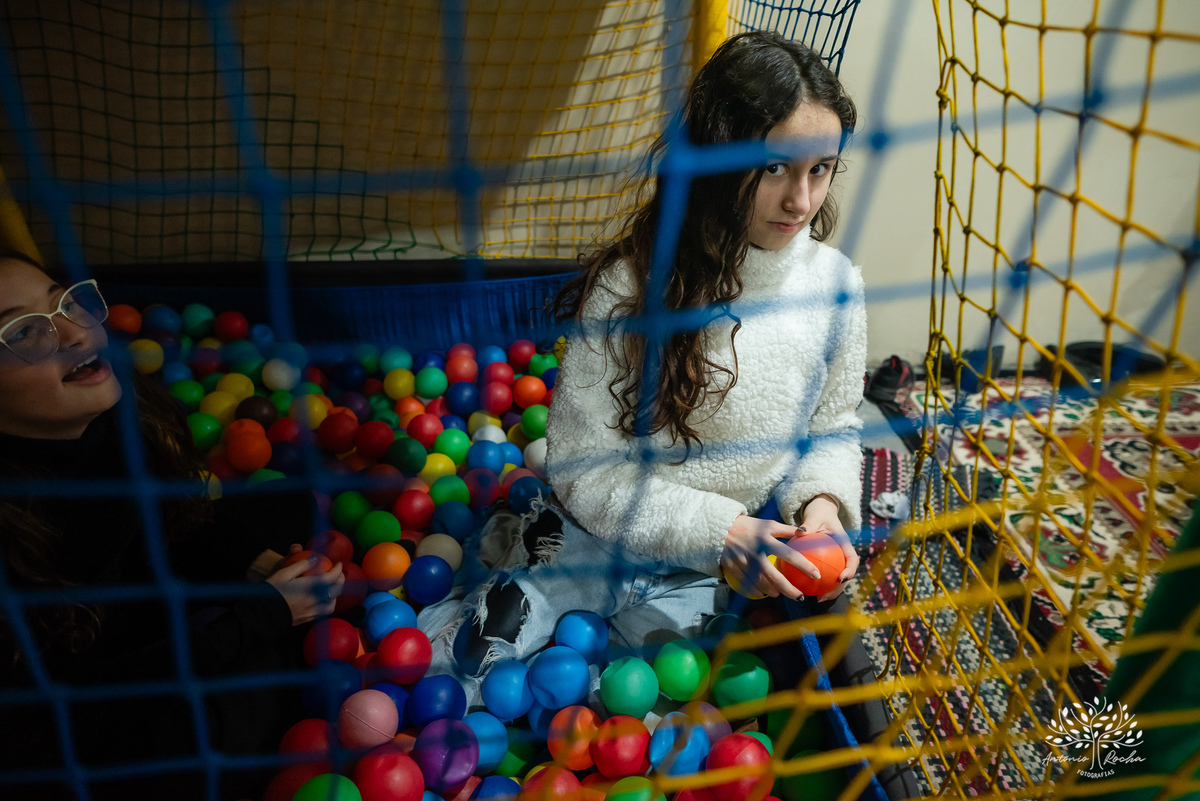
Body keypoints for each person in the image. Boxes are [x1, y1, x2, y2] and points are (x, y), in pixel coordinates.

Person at [417, 30, 917, 797]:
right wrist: (719, 530)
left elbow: (832, 428)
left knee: (651, 730)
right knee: (463, 675)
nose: (803, 200)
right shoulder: (630, 288)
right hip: (602, 531)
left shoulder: (834, 289)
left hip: (717, 568)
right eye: (776, 168)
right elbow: (588, 470)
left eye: (821, 170)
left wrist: (821, 505)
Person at [0, 249, 346, 800]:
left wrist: (251, 564)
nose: (71, 330)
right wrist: (255, 621)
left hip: (132, 619)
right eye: (24, 333)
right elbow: (60, 717)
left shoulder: (120, 422)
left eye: (65, 301)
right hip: (80, 715)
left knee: (291, 507)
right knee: (209, 742)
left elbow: (167, 526)